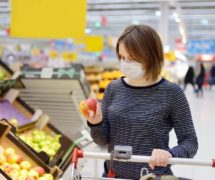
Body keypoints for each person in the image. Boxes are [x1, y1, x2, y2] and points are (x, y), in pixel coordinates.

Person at [87, 25, 198, 179]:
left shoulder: (172, 92)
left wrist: (169, 154)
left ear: (151, 56)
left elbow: (190, 143)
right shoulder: (113, 88)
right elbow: (102, 140)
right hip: (113, 176)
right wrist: (96, 123)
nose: (125, 63)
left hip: (152, 176)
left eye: (131, 58)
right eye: (122, 57)